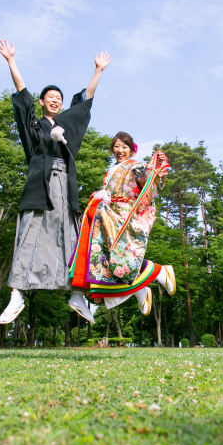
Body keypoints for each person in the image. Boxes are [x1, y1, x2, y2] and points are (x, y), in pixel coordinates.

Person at [0, 39, 111, 325]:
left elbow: (84, 103)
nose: (55, 99)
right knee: (28, 234)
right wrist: (11, 61)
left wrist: (98, 71)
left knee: (70, 237)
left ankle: (76, 295)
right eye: (50, 97)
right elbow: (22, 97)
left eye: (58, 97)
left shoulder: (66, 125)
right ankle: (16, 294)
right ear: (43, 102)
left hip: (64, 186)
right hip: (39, 187)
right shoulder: (35, 126)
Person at [69, 132, 176, 315]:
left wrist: (154, 171)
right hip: (107, 216)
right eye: (117, 146)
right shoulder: (110, 171)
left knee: (121, 260)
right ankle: (141, 290)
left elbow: (148, 183)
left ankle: (158, 272)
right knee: (103, 263)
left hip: (125, 217)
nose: (120, 150)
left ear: (131, 150)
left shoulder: (136, 166)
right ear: (112, 149)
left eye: (124, 147)